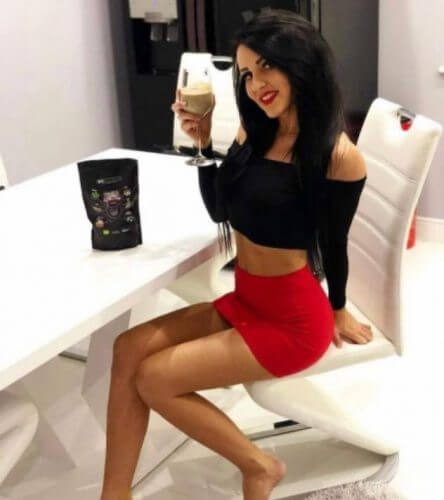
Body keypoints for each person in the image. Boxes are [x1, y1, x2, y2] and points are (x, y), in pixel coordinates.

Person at [100, 9, 373, 500]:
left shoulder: (337, 155)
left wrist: (338, 306)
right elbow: (222, 210)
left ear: (301, 62)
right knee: (128, 348)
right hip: (247, 299)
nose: (255, 84)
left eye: (266, 65)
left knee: (154, 378)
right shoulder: (255, 133)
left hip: (292, 321)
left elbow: (336, 241)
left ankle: (260, 466)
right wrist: (204, 146)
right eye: (246, 73)